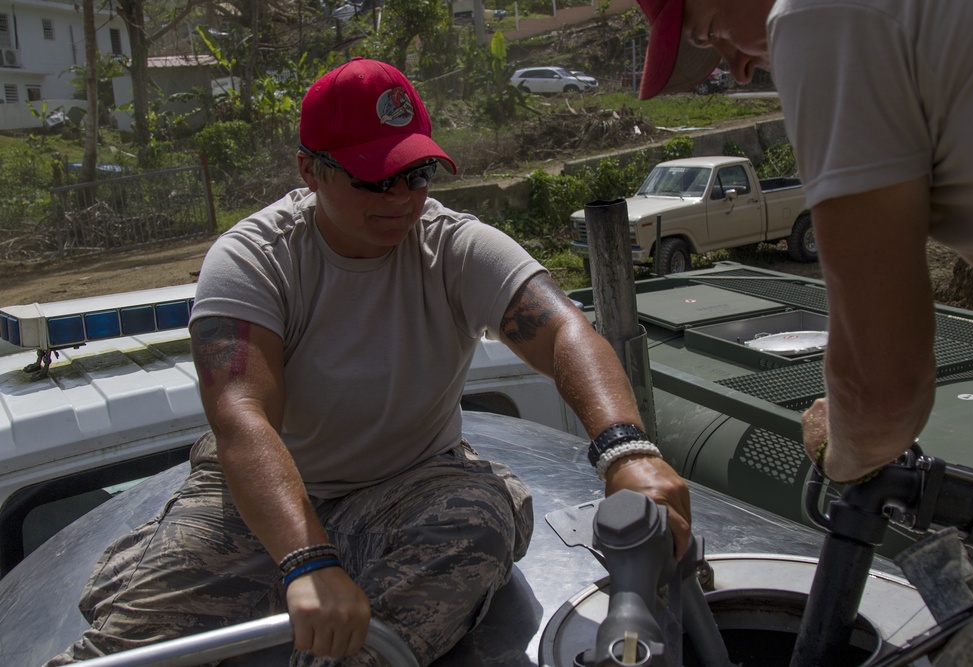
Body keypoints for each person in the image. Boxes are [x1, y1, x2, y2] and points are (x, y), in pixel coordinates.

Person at [47, 57, 691, 666]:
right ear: (310, 170)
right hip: (258, 493)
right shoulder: (254, 259)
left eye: (415, 174)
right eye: (373, 179)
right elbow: (241, 416)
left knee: (476, 526)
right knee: (128, 647)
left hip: (413, 481)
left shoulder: (453, 247)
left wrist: (626, 451)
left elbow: (565, 335)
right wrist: (305, 560)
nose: (401, 198)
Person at [636, 0, 973, 484]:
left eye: (711, 33)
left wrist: (839, 450)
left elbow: (884, 388)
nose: (738, 69)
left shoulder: (814, 17)